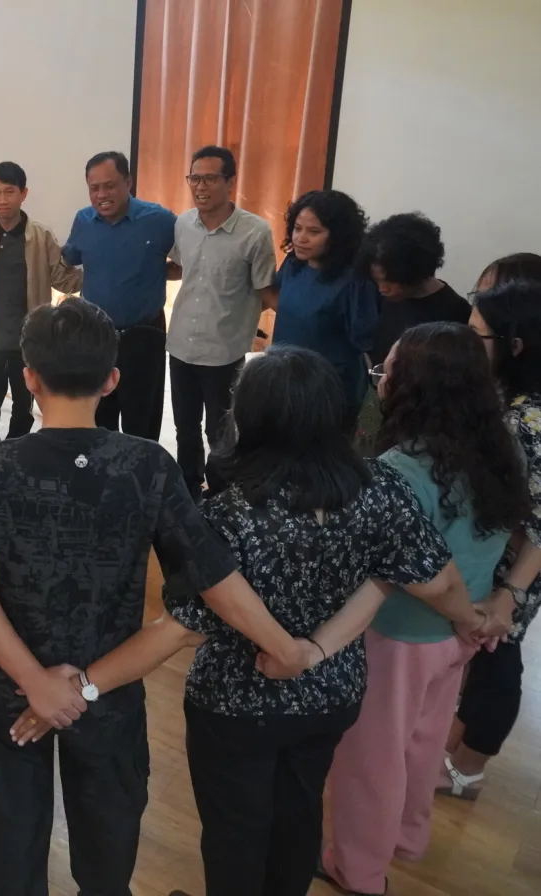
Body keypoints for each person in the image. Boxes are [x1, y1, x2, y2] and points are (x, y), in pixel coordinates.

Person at [0, 298, 320, 896]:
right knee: (107, 848)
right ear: (113, 380)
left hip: (9, 694)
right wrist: (288, 649)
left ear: (29, 378)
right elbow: (214, 578)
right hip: (107, 696)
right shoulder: (147, 465)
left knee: (11, 854)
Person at [145, 345, 471, 896]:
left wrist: (90, 681)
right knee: (299, 814)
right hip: (331, 692)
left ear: (250, 416)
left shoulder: (226, 512)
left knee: (234, 828)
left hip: (234, 701)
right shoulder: (380, 490)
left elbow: (186, 622)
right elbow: (434, 579)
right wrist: (474, 617)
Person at [321, 322, 526, 896]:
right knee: (422, 741)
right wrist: (486, 612)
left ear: (413, 387)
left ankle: (357, 869)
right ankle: (407, 835)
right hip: (458, 636)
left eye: (388, 369)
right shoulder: (498, 447)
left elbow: (417, 576)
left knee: (370, 758)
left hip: (399, 637)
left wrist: (466, 613)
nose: (380, 379)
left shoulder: (399, 470)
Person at [443, 260, 541, 800]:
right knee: (483, 658)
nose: (467, 341)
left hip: (515, 572)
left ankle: (468, 770)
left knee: (499, 657)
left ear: (516, 346)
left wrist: (511, 593)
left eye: (476, 334)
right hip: (493, 561)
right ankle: (455, 749)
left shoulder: (528, 420)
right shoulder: (508, 399)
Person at [166, 146, 277, 497]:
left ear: (230, 181)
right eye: (194, 178)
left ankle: (220, 495)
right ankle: (187, 489)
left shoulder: (255, 232)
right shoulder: (183, 223)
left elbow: (266, 290)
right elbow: (180, 268)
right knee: (184, 426)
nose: (200, 186)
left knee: (221, 431)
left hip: (224, 349)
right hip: (181, 342)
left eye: (210, 178)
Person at [62, 151, 176, 440]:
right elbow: (70, 259)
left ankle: (141, 481)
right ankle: (102, 479)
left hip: (144, 333)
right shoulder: (83, 220)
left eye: (110, 185)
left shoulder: (159, 220)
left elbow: (189, 260)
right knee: (98, 418)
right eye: (94, 188)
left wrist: (157, 272)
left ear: (129, 182)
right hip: (95, 335)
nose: (102, 194)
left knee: (142, 420)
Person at [0, 161, 82, 447]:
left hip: (28, 341)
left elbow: (63, 279)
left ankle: (15, 452)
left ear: (23, 193)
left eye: (9, 192)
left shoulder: (41, 236)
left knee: (23, 407)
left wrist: (103, 269)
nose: (2, 200)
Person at [352, 213, 471, 455]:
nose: (382, 289)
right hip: (378, 402)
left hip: (420, 421)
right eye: (377, 281)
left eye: (390, 281)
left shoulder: (454, 312)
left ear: (417, 272)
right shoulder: (386, 296)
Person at [270, 190, 379, 426]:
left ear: (338, 236)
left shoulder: (354, 281)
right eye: (297, 228)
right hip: (284, 382)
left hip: (327, 393)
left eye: (314, 232)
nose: (300, 238)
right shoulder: (293, 264)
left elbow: (365, 342)